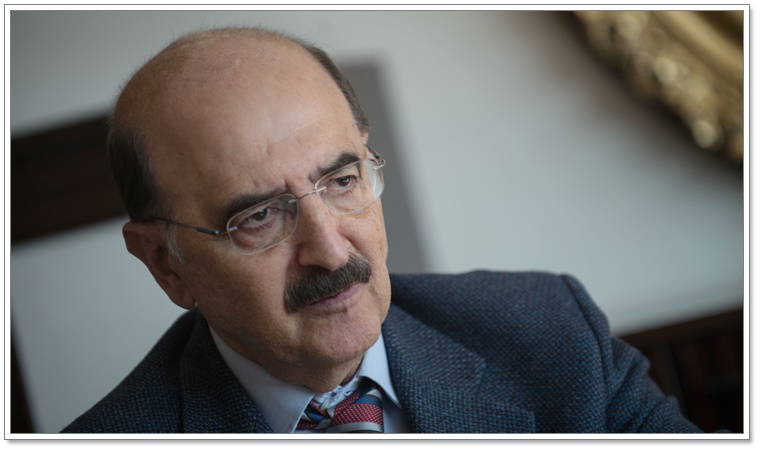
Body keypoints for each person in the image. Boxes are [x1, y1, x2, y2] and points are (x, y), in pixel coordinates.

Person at [63, 27, 700, 433]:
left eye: (341, 181)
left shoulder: (552, 333)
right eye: (258, 217)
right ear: (165, 263)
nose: (330, 249)